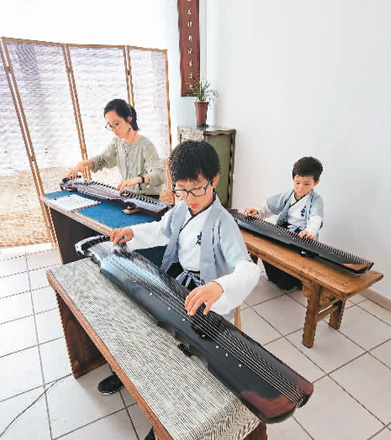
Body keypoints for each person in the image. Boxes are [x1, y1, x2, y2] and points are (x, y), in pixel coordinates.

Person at [100, 141, 260, 439]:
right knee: (149, 331)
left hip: (206, 298)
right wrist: (133, 232)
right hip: (179, 284)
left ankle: (168, 421)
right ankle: (129, 375)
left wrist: (219, 286)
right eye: (181, 190)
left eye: (196, 189)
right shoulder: (182, 208)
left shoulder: (224, 223)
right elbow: (162, 229)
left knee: (185, 362)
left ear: (214, 179)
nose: (189, 198)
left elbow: (248, 269)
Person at [244, 156, 324, 291]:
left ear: (316, 182)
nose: (300, 188)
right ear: (293, 179)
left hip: (302, 235)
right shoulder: (288, 194)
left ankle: (295, 282)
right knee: (267, 248)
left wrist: (310, 231)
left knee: (290, 269)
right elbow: (270, 206)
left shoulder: (316, 200)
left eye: (306, 184)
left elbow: (316, 218)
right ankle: (275, 277)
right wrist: (257, 210)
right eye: (297, 183)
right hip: (284, 229)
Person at [68, 98, 165, 195]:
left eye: (116, 124)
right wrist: (83, 163)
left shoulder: (145, 145)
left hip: (147, 197)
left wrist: (139, 179)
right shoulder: (116, 143)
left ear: (129, 119)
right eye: (110, 126)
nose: (113, 129)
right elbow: (102, 160)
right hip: (126, 194)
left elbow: (159, 174)